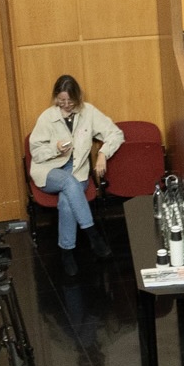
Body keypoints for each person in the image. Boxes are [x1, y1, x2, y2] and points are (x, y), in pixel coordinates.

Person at [28, 75, 122, 255]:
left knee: (66, 202)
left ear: (78, 97)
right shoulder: (47, 117)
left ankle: (66, 251)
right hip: (48, 171)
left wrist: (103, 153)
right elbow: (36, 153)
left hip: (78, 171)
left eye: (70, 101)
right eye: (61, 100)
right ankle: (93, 234)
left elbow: (115, 134)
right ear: (56, 97)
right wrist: (55, 149)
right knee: (69, 183)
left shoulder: (89, 112)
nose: (65, 105)